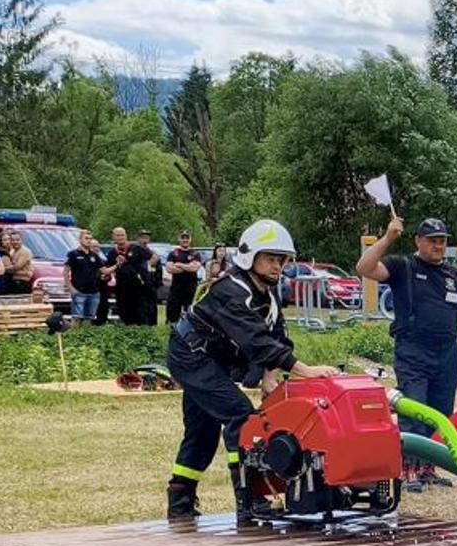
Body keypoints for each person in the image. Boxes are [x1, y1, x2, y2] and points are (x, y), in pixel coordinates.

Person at [164, 218, 341, 520]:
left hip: (212, 361)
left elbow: (277, 336)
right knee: (241, 418)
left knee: (202, 432)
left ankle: (179, 502)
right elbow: (257, 341)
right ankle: (250, 498)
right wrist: (306, 371)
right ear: (249, 256)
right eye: (270, 259)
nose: (277, 266)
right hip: (192, 357)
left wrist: (270, 376)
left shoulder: (267, 293)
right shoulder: (231, 291)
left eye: (281, 260)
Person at [357, 216, 457, 492]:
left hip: (447, 354)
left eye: (442, 241)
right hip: (413, 352)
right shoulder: (404, 266)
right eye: (433, 240)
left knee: (440, 413)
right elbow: (364, 267)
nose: (438, 246)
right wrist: (388, 238)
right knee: (414, 408)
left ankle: (427, 467)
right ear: (418, 241)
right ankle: (407, 468)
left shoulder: (454, 276)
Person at [108, 227, 157, 325]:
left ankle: (142, 333)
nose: (120, 237)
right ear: (113, 237)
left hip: (138, 286)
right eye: (118, 235)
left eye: (122, 235)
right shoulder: (112, 253)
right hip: (122, 286)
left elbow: (154, 257)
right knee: (124, 312)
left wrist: (144, 268)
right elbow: (110, 267)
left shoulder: (137, 248)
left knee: (140, 312)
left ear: (126, 236)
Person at [64, 231, 106, 325]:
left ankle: (85, 337)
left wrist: (117, 264)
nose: (89, 241)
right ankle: (74, 337)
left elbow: (105, 271)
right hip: (79, 291)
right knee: (76, 318)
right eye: (86, 238)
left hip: (94, 292)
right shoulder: (73, 254)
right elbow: (65, 272)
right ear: (80, 240)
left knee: (89, 319)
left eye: (90, 239)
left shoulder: (94, 255)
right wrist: (70, 288)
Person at [164, 230, 202, 324]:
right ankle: (172, 328)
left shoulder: (195, 253)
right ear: (179, 239)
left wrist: (179, 264)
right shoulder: (173, 253)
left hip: (190, 288)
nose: (185, 240)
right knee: (172, 312)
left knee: (190, 312)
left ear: (190, 239)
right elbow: (169, 269)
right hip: (176, 288)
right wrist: (187, 267)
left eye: (187, 238)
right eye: (183, 237)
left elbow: (194, 268)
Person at [0, 229, 35, 295]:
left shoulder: (25, 251)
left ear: (22, 240)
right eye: (13, 240)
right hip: (14, 282)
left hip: (22, 283)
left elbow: (16, 268)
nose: (15, 242)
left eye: (18, 240)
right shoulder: (12, 251)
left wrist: (1, 269)